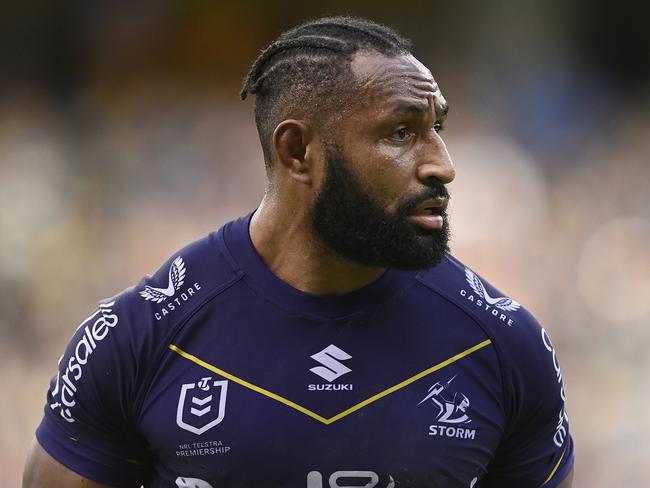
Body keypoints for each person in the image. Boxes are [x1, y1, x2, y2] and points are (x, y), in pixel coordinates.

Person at [23, 16, 574, 488]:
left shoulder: (506, 344)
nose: (442, 164)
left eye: (438, 128)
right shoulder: (138, 335)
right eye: (402, 132)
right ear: (297, 151)